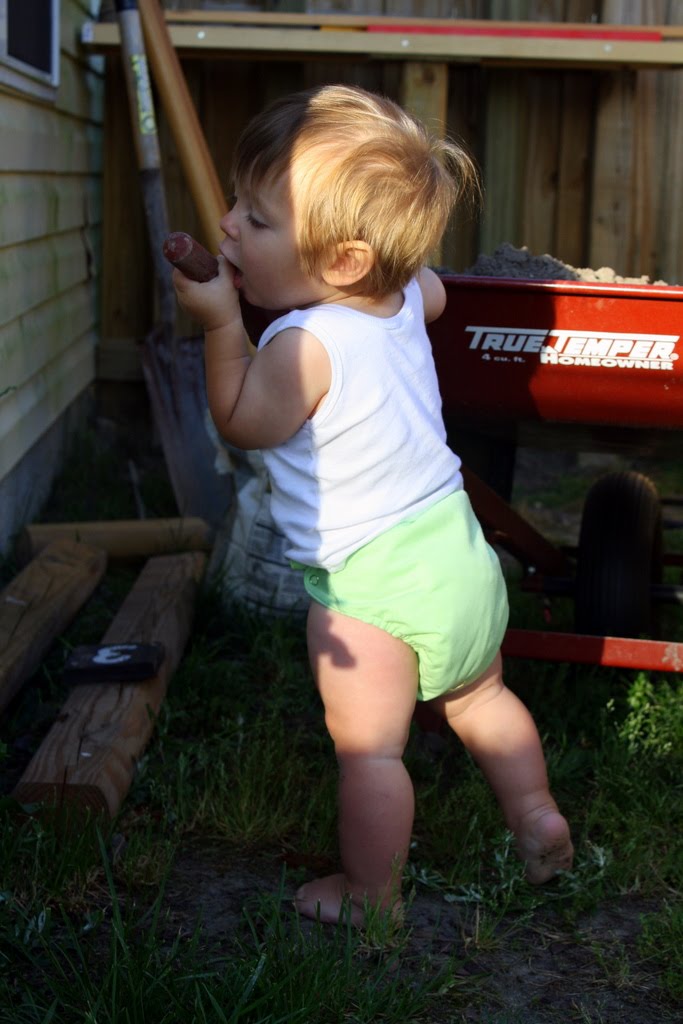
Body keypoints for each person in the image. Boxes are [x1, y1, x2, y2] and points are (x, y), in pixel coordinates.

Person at [172, 83, 573, 926]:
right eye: (238, 206)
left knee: (370, 754)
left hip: (370, 586)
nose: (228, 226)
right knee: (481, 700)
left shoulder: (301, 344)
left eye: (257, 220)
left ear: (346, 261)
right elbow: (434, 292)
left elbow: (243, 421)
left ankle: (370, 894)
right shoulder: (401, 299)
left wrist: (219, 325)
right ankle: (535, 813)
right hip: (456, 552)